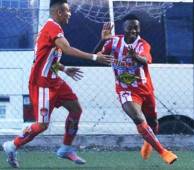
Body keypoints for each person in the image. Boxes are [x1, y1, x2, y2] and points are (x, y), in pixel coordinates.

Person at [2, 0, 112, 168]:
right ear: (59, 12)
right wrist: (95, 57)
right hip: (42, 84)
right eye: (68, 11)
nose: (70, 14)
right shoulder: (52, 27)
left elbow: (46, 58)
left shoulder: (51, 29)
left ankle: (66, 148)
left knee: (76, 110)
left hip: (55, 81)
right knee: (42, 125)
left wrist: (64, 69)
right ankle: (12, 146)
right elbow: (66, 49)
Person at [94, 15, 177, 165]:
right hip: (125, 90)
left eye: (136, 27)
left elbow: (146, 60)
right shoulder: (114, 42)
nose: (133, 30)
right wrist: (103, 40)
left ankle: (148, 143)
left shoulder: (142, 44)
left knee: (153, 123)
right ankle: (164, 152)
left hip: (145, 90)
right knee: (138, 118)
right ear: (123, 28)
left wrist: (135, 56)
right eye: (130, 27)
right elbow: (96, 56)